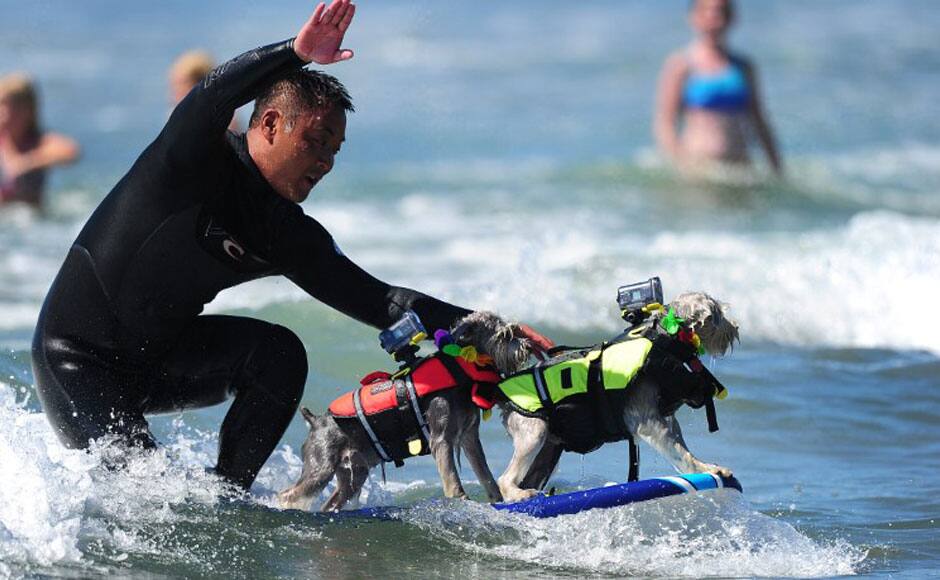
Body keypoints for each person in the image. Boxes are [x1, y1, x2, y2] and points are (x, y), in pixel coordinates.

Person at [31, 0, 552, 490]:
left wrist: (495, 334)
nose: (326, 161)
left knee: (279, 356)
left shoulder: (283, 232)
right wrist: (294, 53)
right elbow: (211, 93)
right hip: (78, 359)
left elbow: (385, 302)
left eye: (335, 149)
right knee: (138, 495)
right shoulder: (193, 162)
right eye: (317, 140)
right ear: (272, 123)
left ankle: (227, 495)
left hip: (160, 358)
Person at [654, 0, 782, 177]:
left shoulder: (744, 67)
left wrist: (776, 166)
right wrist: (681, 163)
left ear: (732, 18)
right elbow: (665, 124)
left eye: (721, 11)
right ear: (693, 17)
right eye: (706, 11)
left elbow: (759, 120)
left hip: (740, 169)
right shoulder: (681, 65)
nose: (713, 17)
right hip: (699, 170)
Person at [0, 73, 80, 207]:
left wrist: (27, 163)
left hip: (30, 219)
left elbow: (71, 151)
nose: (4, 115)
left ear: (29, 111)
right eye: (1, 106)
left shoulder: (39, 141)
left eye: (12, 108)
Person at [168, 50, 240, 132]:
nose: (172, 97)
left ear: (198, 86)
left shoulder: (225, 122)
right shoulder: (179, 119)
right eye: (173, 87)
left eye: (179, 86)